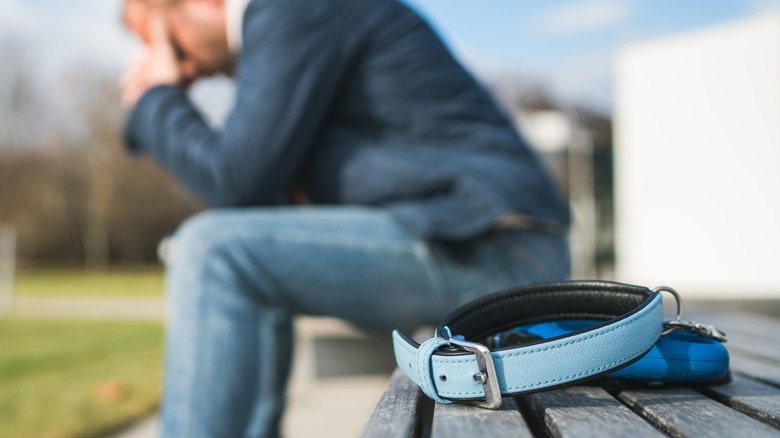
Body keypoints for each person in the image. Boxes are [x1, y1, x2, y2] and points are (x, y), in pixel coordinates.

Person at [119, 0, 570, 436]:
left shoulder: (292, 7)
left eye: (173, 48)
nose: (187, 73)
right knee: (235, 248)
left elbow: (234, 177)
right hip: (470, 239)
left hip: (498, 246)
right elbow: (252, 195)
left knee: (211, 250)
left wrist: (156, 95)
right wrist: (153, 104)